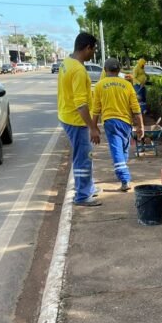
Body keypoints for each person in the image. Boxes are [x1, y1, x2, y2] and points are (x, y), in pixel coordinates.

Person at [58, 32, 101, 207]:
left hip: (66, 115)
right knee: (83, 157)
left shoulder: (67, 63)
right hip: (76, 121)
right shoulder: (78, 70)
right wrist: (92, 127)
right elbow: (81, 104)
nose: (94, 53)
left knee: (83, 155)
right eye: (94, 49)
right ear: (87, 48)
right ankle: (82, 195)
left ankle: (88, 188)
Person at [91, 58, 145, 192]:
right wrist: (141, 126)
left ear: (105, 70)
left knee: (119, 150)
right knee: (122, 149)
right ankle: (124, 177)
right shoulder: (127, 85)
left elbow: (96, 109)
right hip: (126, 123)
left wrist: (93, 128)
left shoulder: (99, 86)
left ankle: (124, 176)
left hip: (110, 122)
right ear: (119, 70)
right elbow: (136, 108)